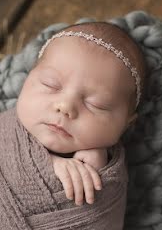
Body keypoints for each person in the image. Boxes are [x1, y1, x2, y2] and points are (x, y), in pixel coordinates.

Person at [16, 21, 147, 205]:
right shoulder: (0, 133)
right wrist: (50, 166)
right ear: (27, 80)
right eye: (50, 84)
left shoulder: (109, 168)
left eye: (96, 104)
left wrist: (99, 172)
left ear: (126, 125)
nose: (65, 106)